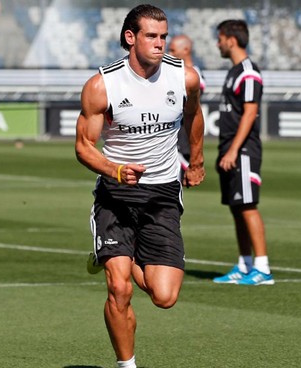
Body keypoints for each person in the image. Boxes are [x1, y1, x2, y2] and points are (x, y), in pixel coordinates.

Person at [74, 4, 205, 368]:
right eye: (151, 36)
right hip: (116, 194)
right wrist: (114, 170)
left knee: (164, 296)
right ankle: (126, 365)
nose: (160, 43)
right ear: (131, 38)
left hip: (163, 193)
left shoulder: (186, 78)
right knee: (120, 288)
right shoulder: (103, 85)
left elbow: (194, 116)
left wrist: (196, 161)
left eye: (163, 36)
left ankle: (112, 256)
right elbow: (84, 147)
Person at [212, 19, 273, 286]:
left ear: (231, 40)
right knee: (237, 207)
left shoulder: (248, 72)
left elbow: (250, 113)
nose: (218, 44)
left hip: (243, 149)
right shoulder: (234, 71)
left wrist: (234, 150)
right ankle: (244, 264)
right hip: (230, 148)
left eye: (220, 38)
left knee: (248, 205)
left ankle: (263, 268)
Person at [168, 34, 206, 180]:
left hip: (183, 136)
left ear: (185, 50)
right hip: (173, 135)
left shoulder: (194, 75)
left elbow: (190, 102)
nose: (169, 54)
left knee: (175, 182)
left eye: (172, 50)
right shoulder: (174, 72)